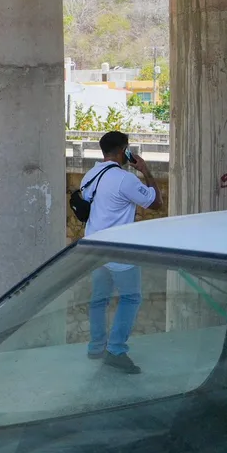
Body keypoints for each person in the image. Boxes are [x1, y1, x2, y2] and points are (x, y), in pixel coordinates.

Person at [81, 130, 162, 374]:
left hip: (95, 247)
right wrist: (146, 171)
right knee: (131, 297)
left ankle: (96, 346)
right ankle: (115, 350)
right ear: (122, 150)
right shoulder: (125, 179)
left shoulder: (91, 174)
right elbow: (156, 203)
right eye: (127, 149)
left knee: (98, 299)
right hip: (119, 249)